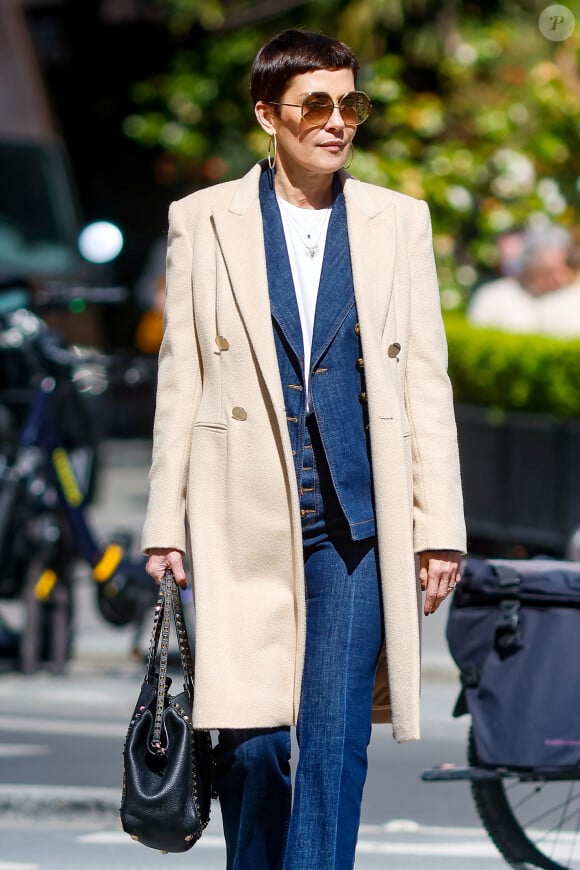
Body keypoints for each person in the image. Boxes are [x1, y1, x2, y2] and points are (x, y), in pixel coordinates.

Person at [142, 28, 465, 870]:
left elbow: (425, 380)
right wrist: (161, 521)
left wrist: (440, 527)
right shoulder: (203, 220)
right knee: (249, 748)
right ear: (267, 113)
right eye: (315, 104)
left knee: (332, 747)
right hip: (239, 519)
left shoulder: (400, 222)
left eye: (349, 103)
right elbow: (181, 379)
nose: (336, 121)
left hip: (358, 527)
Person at [467, 225, 572, 333]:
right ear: (528, 267)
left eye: (562, 269)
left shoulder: (573, 301)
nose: (558, 277)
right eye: (547, 272)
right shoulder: (493, 297)